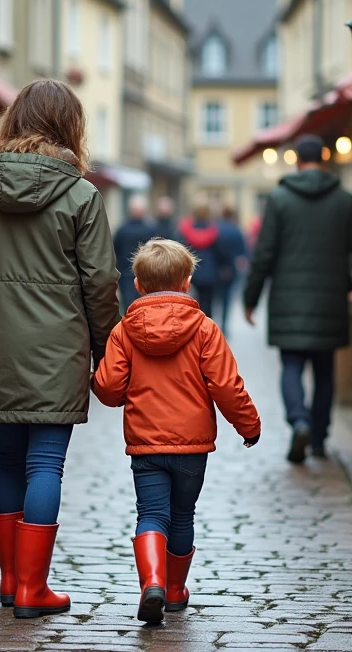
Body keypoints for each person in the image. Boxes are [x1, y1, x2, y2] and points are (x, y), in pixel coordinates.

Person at [0, 79, 120, 619]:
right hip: (58, 348)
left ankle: (11, 580)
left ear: (12, 121)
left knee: (9, 460)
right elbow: (101, 281)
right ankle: (33, 589)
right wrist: (105, 342)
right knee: (47, 463)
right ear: (72, 128)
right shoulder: (82, 194)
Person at [93, 239, 261, 624]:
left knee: (151, 513)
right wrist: (248, 425)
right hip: (192, 448)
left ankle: (150, 581)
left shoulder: (124, 331)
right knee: (183, 515)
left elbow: (109, 386)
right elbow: (226, 385)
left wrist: (98, 381)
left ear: (137, 285)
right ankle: (173, 590)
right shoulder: (205, 329)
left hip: (145, 444)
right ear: (187, 283)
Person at [243, 135, 352, 464]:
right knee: (325, 370)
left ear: (297, 161)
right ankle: (318, 438)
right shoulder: (345, 199)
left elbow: (264, 253)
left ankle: (298, 421)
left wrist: (251, 297)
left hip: (288, 301)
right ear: (325, 159)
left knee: (292, 366)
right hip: (330, 301)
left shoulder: (280, 198)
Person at [177, 200, 223, 319]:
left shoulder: (185, 230)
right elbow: (219, 254)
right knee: (208, 304)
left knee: (190, 303)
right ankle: (206, 328)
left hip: (190, 273)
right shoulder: (214, 232)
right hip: (209, 273)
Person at [113, 195, 156, 313]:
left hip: (126, 273)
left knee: (130, 306)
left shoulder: (122, 229)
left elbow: (113, 250)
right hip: (146, 273)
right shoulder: (150, 229)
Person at [214, 204, 248, 335]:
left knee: (215, 298)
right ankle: (224, 325)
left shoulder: (216, 229)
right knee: (227, 299)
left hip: (217, 268)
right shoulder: (236, 230)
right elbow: (242, 253)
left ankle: (212, 325)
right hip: (231, 268)